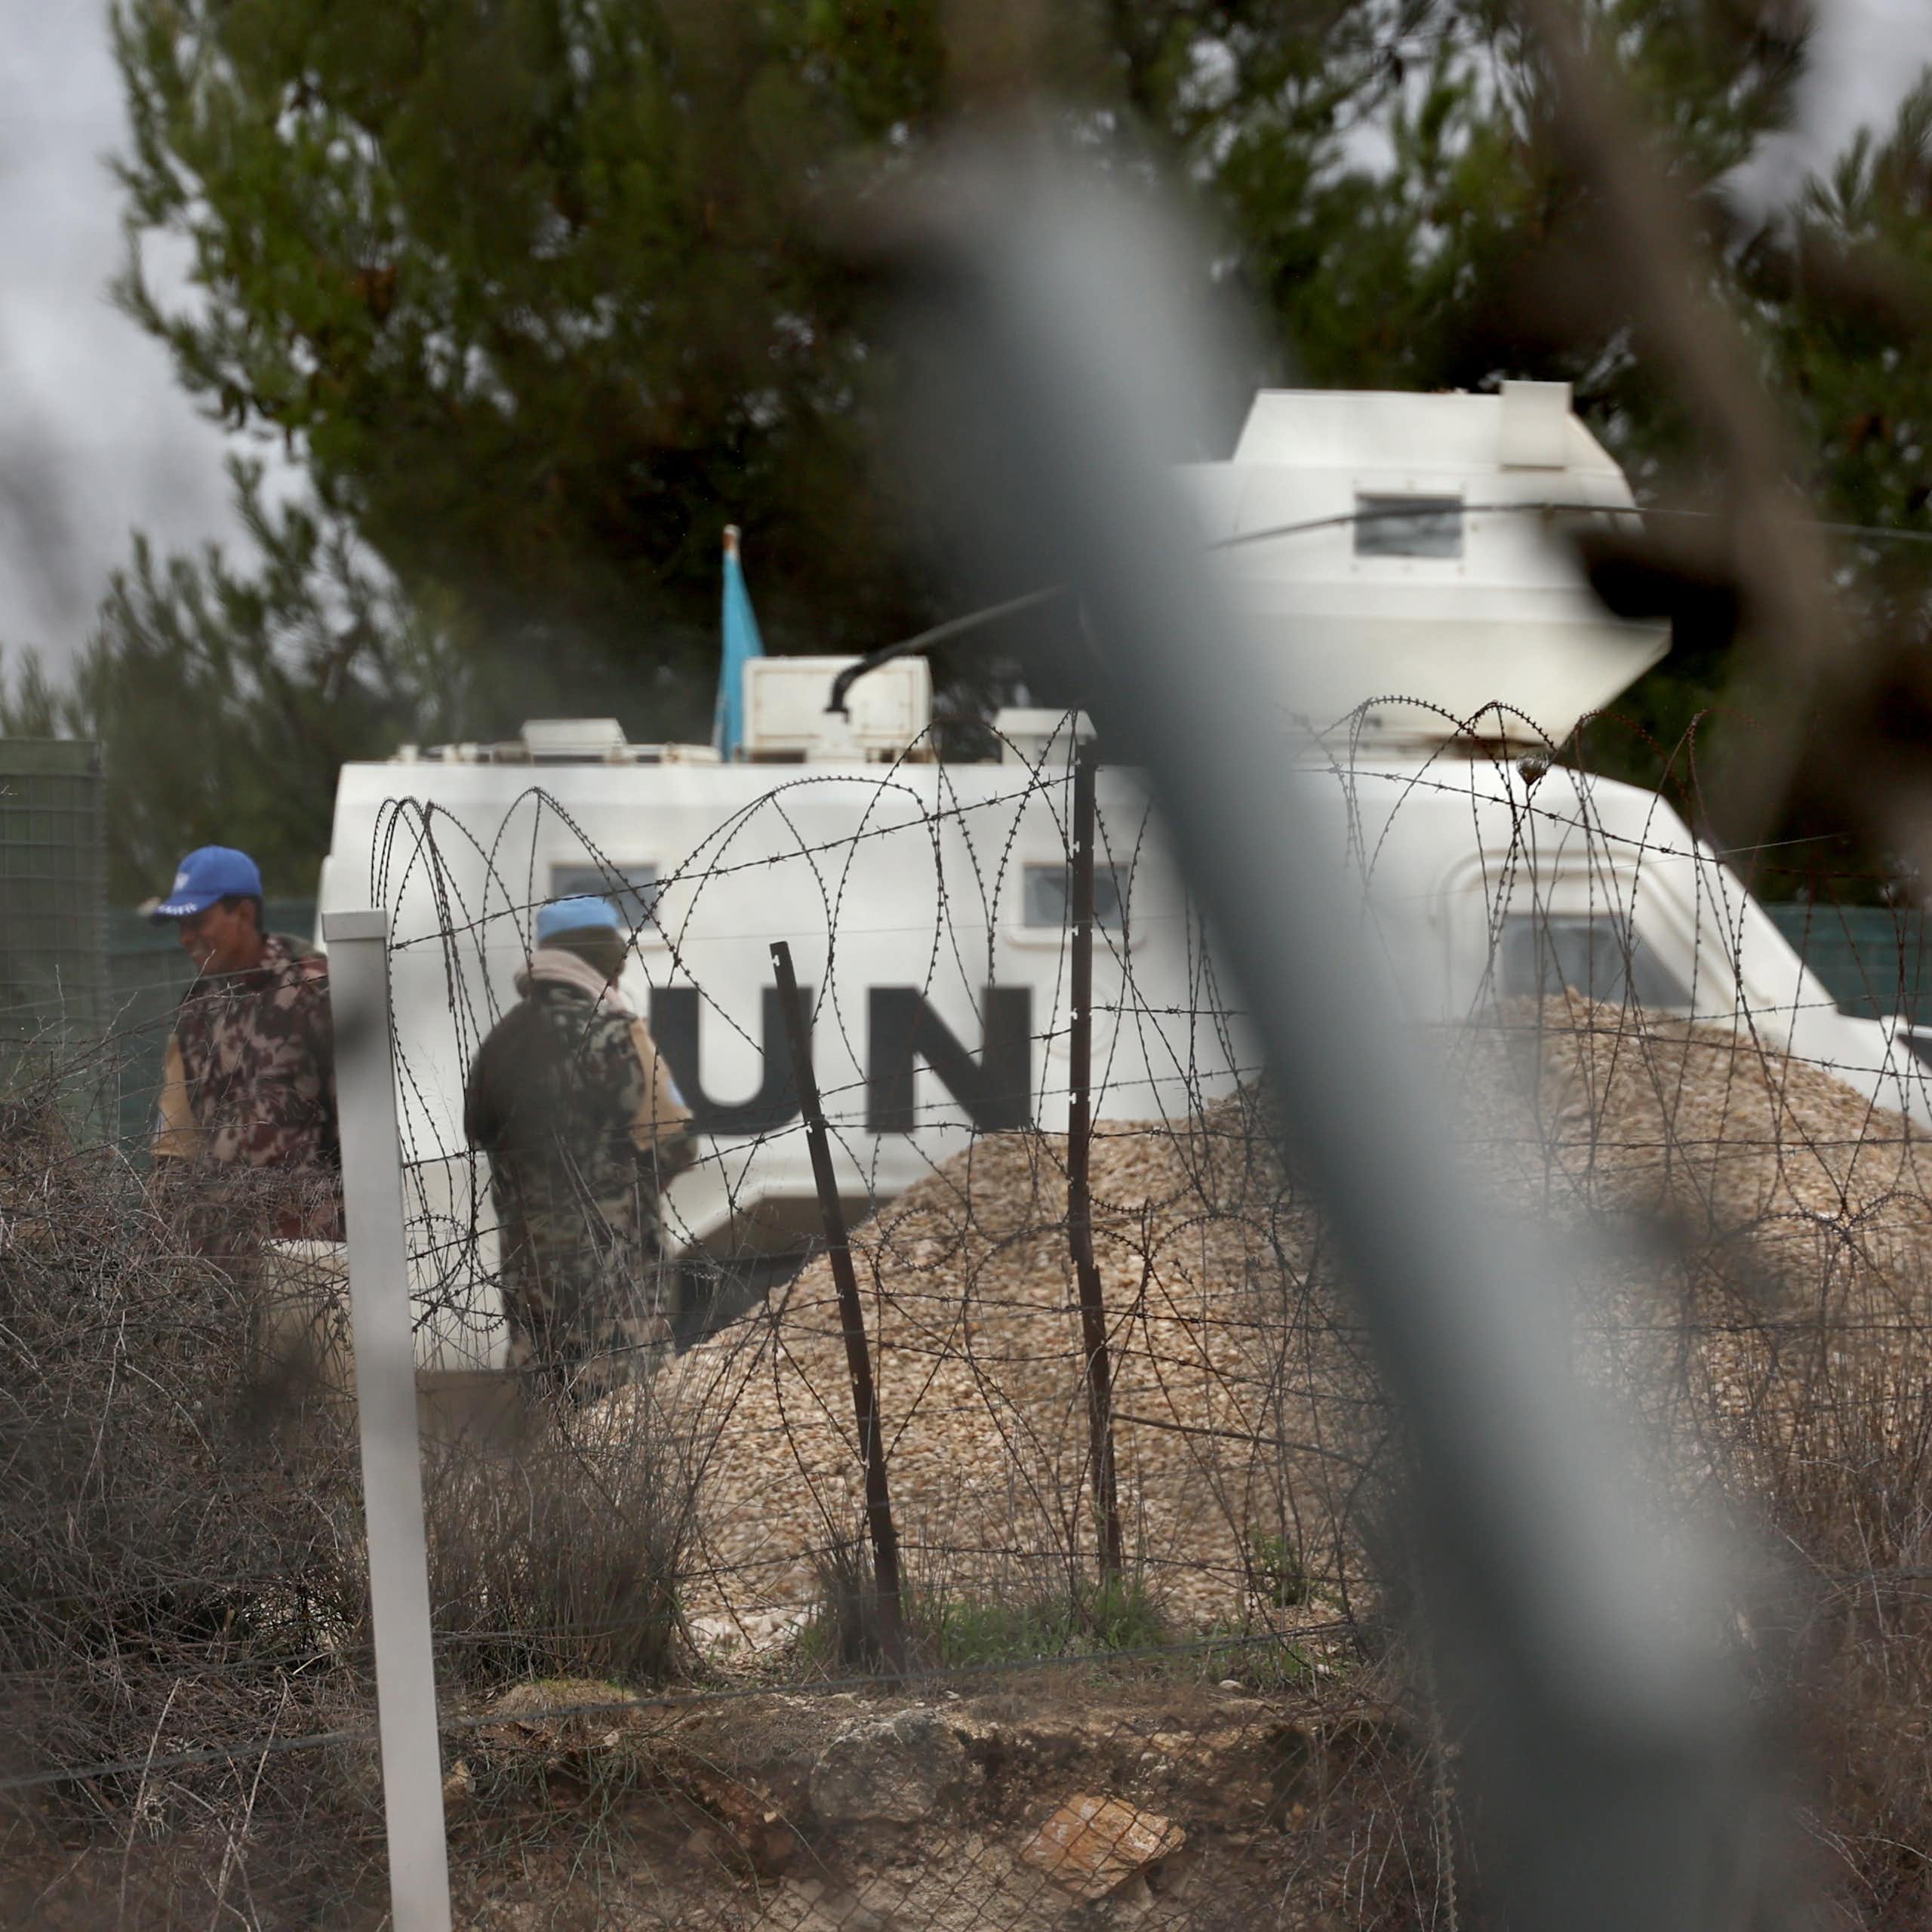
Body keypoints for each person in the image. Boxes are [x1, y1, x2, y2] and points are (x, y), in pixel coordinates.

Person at [463, 897, 695, 1401]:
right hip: (616, 1293)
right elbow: (678, 1144)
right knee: (621, 1420)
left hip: (532, 1289)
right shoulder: (615, 1035)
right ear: (600, 956)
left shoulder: (501, 1045)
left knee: (547, 1422)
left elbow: (478, 1132)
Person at [150, 845, 342, 1244]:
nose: (186, 938)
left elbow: (362, 1126)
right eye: (180, 926)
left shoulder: (313, 990)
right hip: (223, 1252)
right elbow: (177, 1143)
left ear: (243, 913)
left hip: (308, 1250)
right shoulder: (197, 1008)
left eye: (198, 922)